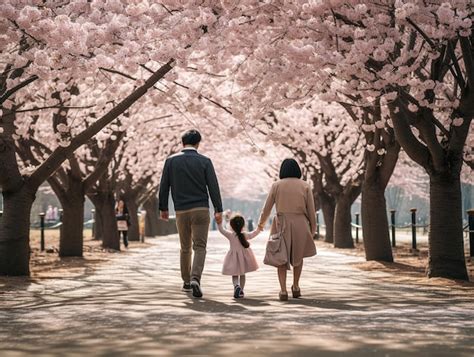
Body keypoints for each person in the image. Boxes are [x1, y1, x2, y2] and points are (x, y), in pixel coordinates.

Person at [159, 129, 223, 298]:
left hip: (181, 210)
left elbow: (164, 186)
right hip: (201, 209)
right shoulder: (205, 161)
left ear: (182, 143)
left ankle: (186, 281)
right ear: (198, 143)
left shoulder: (171, 161)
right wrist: (218, 209)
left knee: (185, 247)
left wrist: (163, 208)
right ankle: (196, 278)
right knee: (200, 246)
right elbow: (213, 187)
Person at [258, 159, 317, 301]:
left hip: (281, 223)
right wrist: (313, 228)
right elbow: (311, 210)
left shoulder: (276, 185)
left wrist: (261, 223)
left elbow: (267, 207)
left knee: (280, 257)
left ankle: (283, 290)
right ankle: (296, 286)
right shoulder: (305, 186)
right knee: (298, 256)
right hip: (300, 224)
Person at [218, 215, 261, 299]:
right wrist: (259, 228)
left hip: (233, 258)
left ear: (231, 226)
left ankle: (236, 286)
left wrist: (219, 223)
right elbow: (254, 233)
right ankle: (241, 289)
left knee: (234, 274)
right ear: (243, 225)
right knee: (242, 274)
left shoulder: (230, 235)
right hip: (243, 258)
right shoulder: (245, 235)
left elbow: (222, 230)